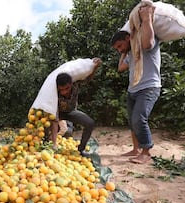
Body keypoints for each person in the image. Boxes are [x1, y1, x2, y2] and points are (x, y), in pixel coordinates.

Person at [111, 4, 161, 164]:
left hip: (148, 87)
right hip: (133, 89)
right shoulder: (131, 52)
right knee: (132, 120)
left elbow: (148, 42)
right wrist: (124, 51)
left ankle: (146, 152)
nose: (119, 50)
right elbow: (121, 68)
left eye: (119, 46)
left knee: (139, 118)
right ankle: (136, 149)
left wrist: (146, 19)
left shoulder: (145, 44)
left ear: (127, 38)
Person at [51, 58, 102, 156]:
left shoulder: (76, 85)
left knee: (89, 123)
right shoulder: (54, 94)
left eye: (67, 88)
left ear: (71, 84)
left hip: (71, 112)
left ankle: (81, 149)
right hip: (57, 113)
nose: (64, 92)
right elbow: (54, 120)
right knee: (52, 130)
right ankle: (49, 145)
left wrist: (95, 67)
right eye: (62, 90)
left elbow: (88, 79)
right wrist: (54, 144)